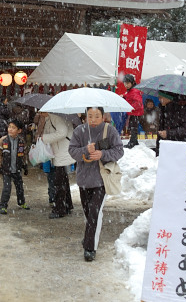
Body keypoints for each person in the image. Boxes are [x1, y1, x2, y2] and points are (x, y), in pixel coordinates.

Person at [68, 107, 124, 262]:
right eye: (90, 116)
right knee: (88, 213)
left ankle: (90, 248)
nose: (93, 119)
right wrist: (85, 150)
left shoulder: (109, 130)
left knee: (94, 212)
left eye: (97, 116)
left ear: (103, 116)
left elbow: (119, 151)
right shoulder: (79, 131)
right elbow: (72, 151)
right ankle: (89, 237)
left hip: (101, 180)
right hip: (84, 179)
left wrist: (102, 154)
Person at [41, 112, 75, 219]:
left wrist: (44, 138)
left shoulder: (56, 118)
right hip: (59, 152)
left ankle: (59, 209)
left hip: (63, 152)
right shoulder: (50, 118)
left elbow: (62, 132)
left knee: (59, 181)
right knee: (63, 180)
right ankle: (67, 205)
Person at [0, 119, 29, 214]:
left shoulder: (21, 141)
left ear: (19, 130)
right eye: (9, 127)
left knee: (20, 187)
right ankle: (3, 206)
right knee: (7, 188)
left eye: (13, 128)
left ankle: (21, 202)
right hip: (6, 170)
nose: (10, 129)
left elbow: (24, 154)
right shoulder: (3, 140)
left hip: (17, 169)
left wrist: (25, 165)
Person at [155, 91, 186, 156]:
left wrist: (168, 133)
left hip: (180, 148)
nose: (159, 99)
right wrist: (159, 151)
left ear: (169, 98)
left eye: (161, 97)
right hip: (167, 148)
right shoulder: (163, 109)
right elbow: (161, 129)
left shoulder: (183, 110)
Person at [122, 74, 144, 148]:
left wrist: (130, 108)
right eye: (125, 83)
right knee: (133, 127)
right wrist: (124, 96)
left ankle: (132, 142)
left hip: (136, 113)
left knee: (133, 127)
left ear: (132, 83)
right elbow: (130, 97)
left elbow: (138, 103)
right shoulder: (131, 90)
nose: (126, 85)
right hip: (135, 113)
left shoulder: (134, 91)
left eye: (128, 83)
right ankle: (135, 141)